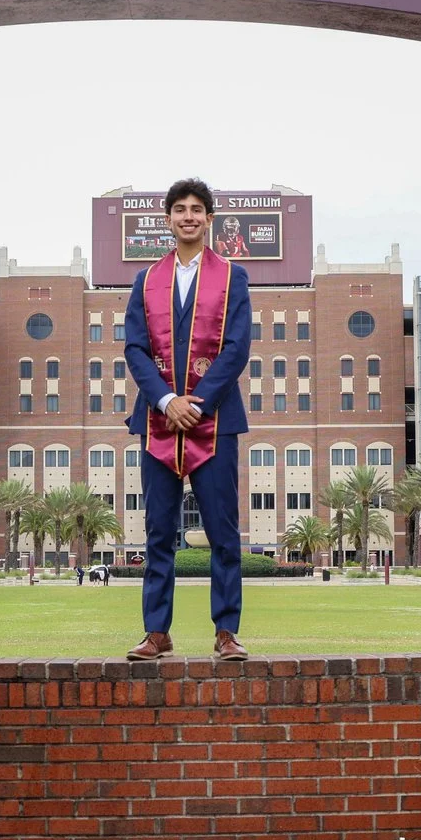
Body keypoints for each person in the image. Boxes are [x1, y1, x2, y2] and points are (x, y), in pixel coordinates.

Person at [123, 178, 251, 661]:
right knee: (158, 532)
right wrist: (164, 400)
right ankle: (157, 632)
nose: (189, 216)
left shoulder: (232, 276)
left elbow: (237, 348)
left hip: (214, 423)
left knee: (223, 531)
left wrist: (196, 403)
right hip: (157, 423)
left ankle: (226, 632)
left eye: (198, 209)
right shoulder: (147, 280)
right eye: (180, 209)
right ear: (169, 219)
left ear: (209, 218)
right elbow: (135, 348)